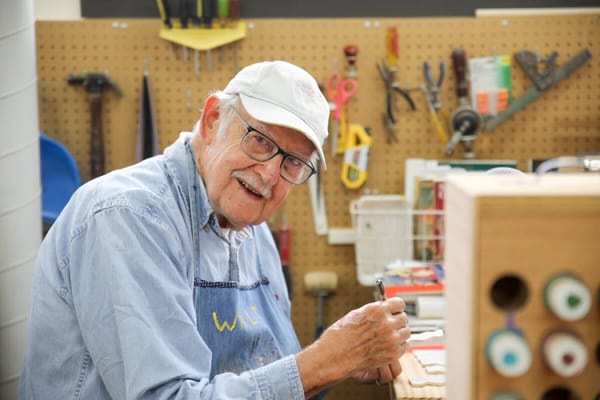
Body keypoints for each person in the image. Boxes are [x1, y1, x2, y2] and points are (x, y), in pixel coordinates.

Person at [19, 60, 410, 399]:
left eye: (293, 163)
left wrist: (341, 360)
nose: (270, 173)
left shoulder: (253, 231)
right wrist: (325, 359)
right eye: (259, 141)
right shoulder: (128, 217)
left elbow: (268, 378)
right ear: (211, 121)